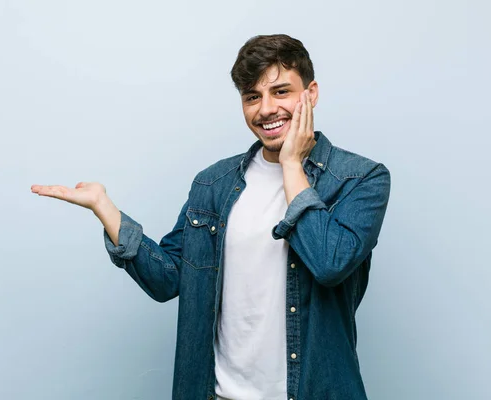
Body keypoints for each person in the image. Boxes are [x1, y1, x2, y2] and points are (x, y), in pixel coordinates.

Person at [31, 34, 391, 400]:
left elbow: (330, 263)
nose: (266, 109)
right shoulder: (213, 184)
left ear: (310, 94)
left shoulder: (360, 179)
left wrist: (291, 165)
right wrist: (104, 208)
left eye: (281, 92)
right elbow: (167, 279)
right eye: (252, 96)